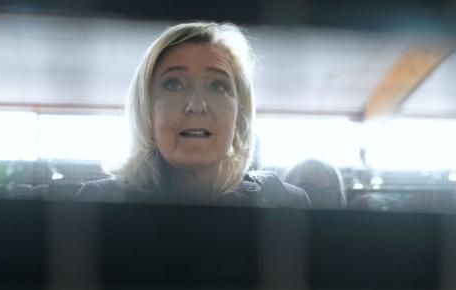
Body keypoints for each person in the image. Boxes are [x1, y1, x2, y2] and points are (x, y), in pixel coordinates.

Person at [76, 22, 310, 208]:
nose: (196, 106)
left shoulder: (286, 203)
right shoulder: (100, 201)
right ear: (146, 110)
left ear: (239, 116)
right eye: (173, 85)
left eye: (218, 86)